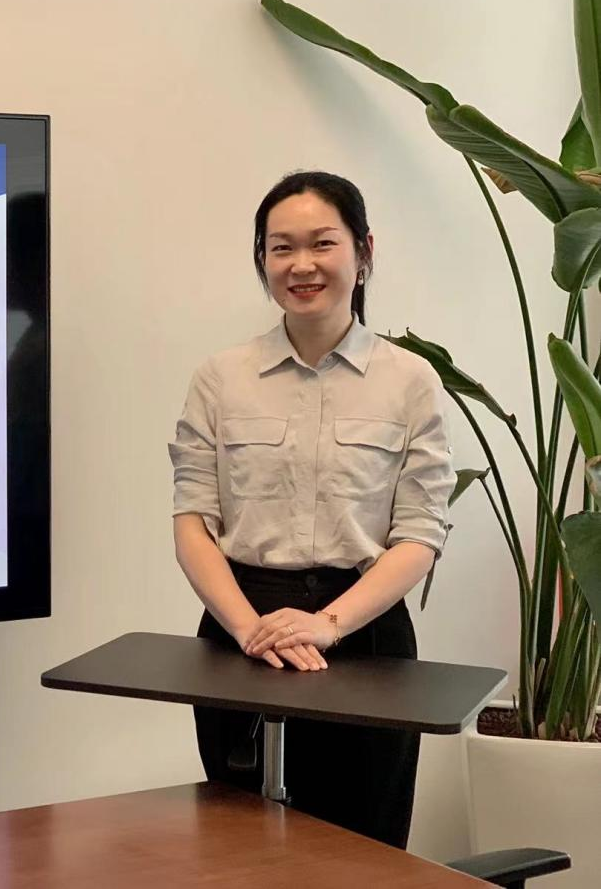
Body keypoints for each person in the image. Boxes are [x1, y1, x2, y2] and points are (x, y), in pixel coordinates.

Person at [168, 170, 455, 848]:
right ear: (262, 258)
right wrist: (250, 631)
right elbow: (192, 521)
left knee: (362, 852)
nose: (301, 265)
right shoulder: (220, 378)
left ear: (363, 251)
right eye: (280, 248)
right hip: (242, 635)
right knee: (240, 847)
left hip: (365, 635)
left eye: (322, 243)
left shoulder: (410, 380)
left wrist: (327, 624)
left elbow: (419, 533)